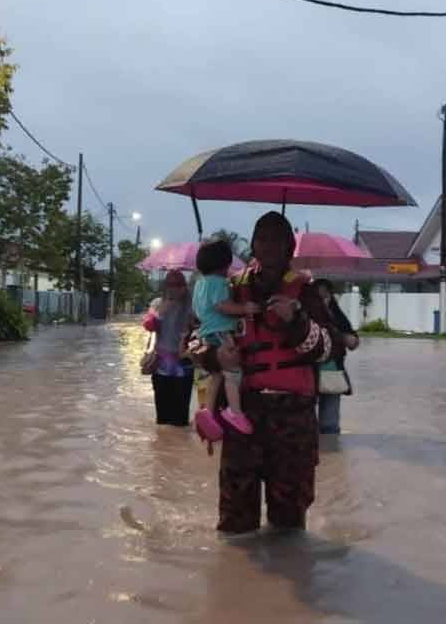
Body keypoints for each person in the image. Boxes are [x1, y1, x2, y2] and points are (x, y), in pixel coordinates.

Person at [192, 211, 342, 534]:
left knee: (289, 527)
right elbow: (192, 342)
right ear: (253, 245)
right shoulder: (228, 288)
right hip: (242, 417)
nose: (270, 245)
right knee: (235, 525)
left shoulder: (306, 293)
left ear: (290, 246)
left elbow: (333, 347)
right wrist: (215, 356)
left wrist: (296, 323)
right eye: (263, 238)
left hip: (293, 420)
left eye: (278, 238)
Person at [192, 239, 261, 435]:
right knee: (234, 371)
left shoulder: (200, 284)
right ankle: (235, 411)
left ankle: (208, 410)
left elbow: (198, 311)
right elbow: (222, 305)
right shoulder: (219, 282)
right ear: (224, 263)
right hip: (222, 331)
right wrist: (244, 309)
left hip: (207, 333)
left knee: (217, 373)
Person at [142, 270, 194, 426]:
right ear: (165, 287)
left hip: (184, 362)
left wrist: (191, 325)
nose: (174, 289)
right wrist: (161, 312)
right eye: (170, 285)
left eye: (178, 285)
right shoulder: (157, 303)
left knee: (180, 418)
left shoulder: (192, 305)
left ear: (184, 287)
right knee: (162, 418)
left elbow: (201, 327)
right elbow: (148, 325)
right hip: (161, 364)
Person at [312, 278, 360, 434]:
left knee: (330, 425)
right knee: (306, 422)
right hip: (306, 374)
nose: (323, 300)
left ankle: (332, 450)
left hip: (332, 372)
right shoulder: (304, 316)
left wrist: (344, 337)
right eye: (319, 297)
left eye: (326, 296)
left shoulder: (337, 316)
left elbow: (353, 342)